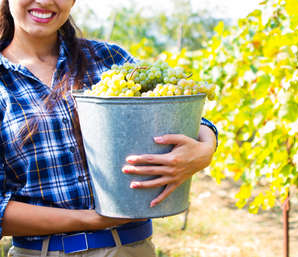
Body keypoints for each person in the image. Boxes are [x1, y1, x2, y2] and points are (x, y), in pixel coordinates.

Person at [0, 0, 218, 256]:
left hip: (129, 249)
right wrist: (92, 220)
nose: (46, 1)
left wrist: (206, 148)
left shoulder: (108, 60)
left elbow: (181, 113)